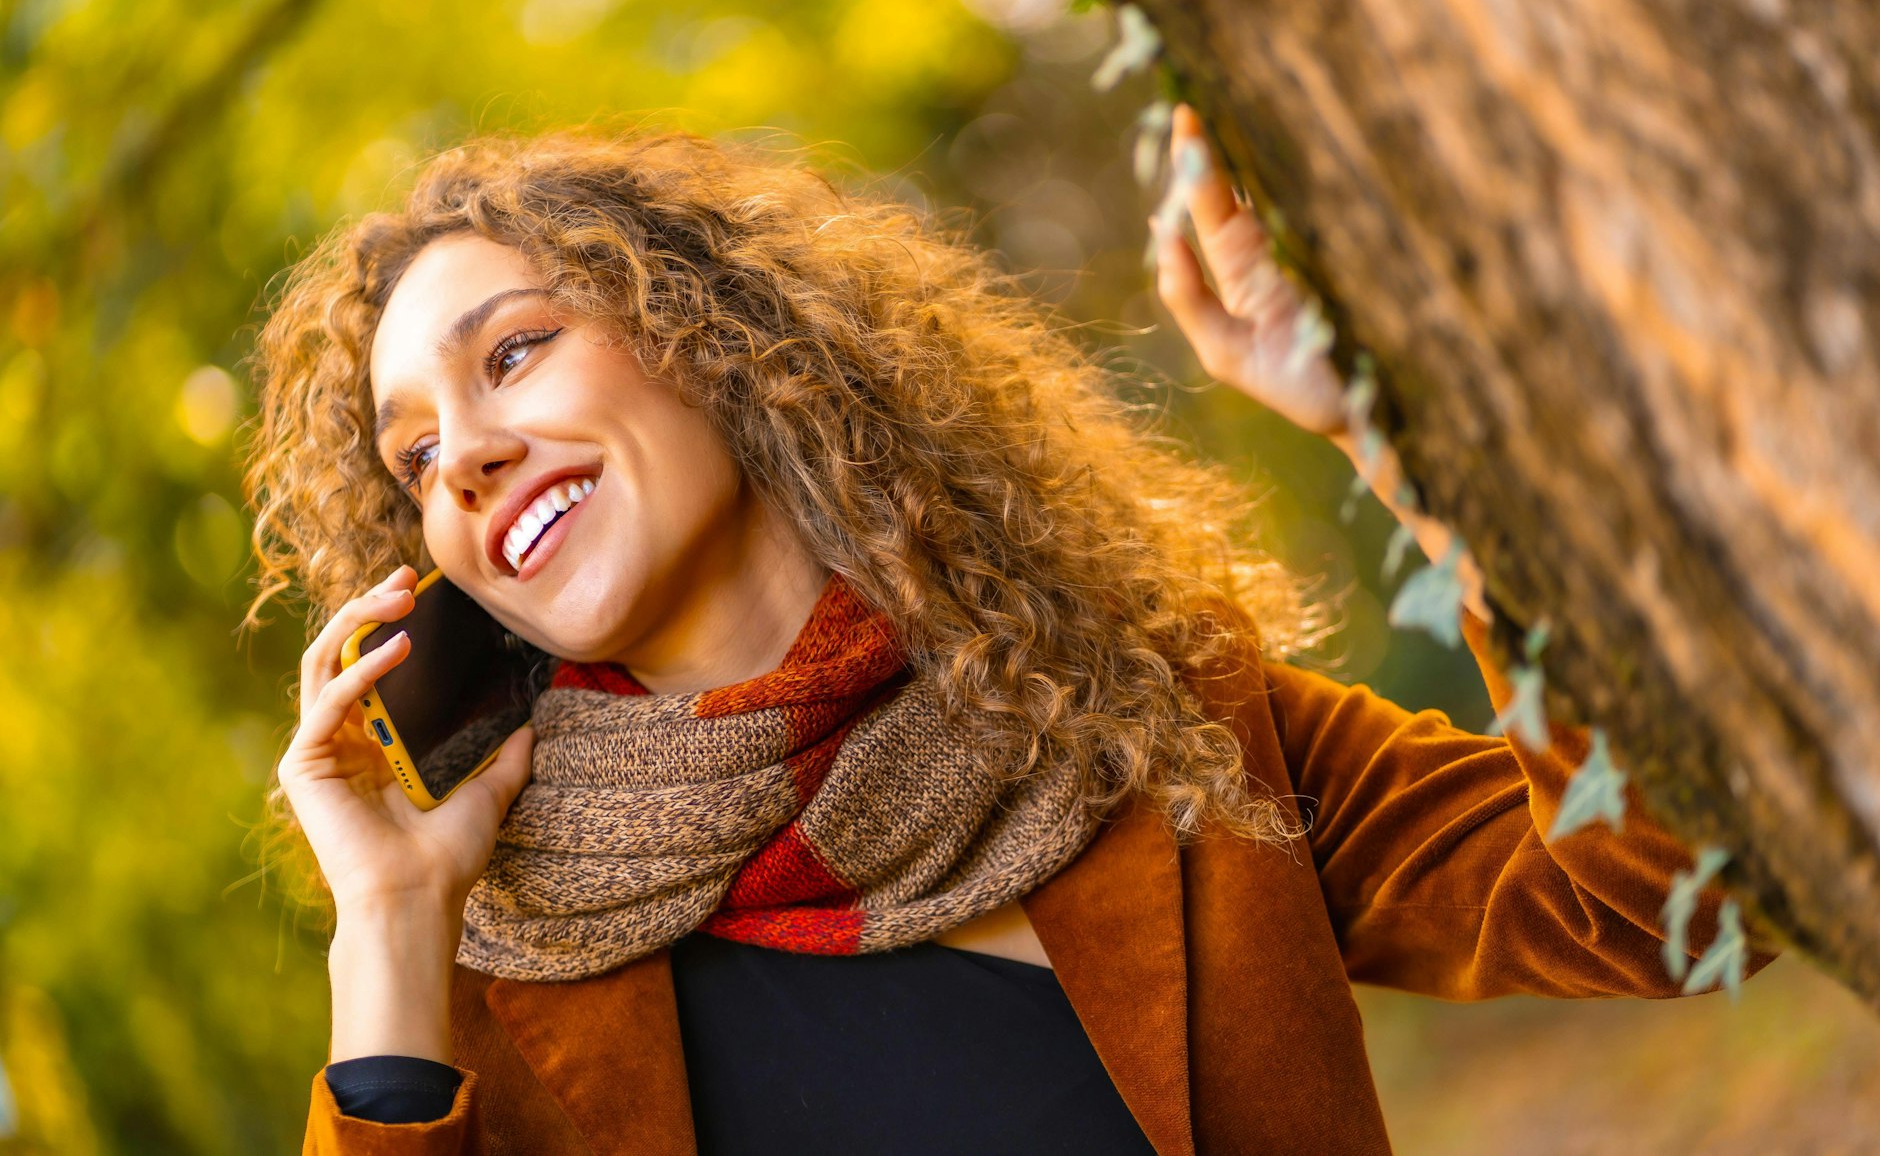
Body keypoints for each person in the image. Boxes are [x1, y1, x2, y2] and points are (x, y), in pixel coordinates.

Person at [242, 106, 1776, 1154]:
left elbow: (1668, 905)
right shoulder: (508, 971)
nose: (469, 462)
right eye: (417, 459)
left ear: (710, 338)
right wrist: (387, 930)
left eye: (513, 354)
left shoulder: (1155, 715)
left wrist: (1405, 433)